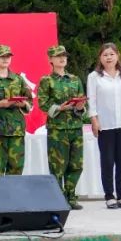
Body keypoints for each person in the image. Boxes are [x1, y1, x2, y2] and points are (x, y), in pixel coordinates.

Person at [87, 42, 121, 209]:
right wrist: (94, 120)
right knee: (107, 162)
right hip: (105, 125)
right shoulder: (94, 77)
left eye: (111, 54)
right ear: (100, 58)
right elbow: (92, 100)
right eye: (105, 55)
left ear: (118, 56)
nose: (108, 57)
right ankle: (109, 196)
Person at [36, 45, 86, 210]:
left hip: (75, 127)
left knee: (76, 165)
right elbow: (43, 103)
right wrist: (59, 108)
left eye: (64, 55)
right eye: (58, 56)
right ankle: (57, 199)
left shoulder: (75, 79)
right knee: (57, 166)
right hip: (57, 129)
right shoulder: (47, 80)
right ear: (50, 59)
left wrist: (80, 107)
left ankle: (71, 197)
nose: (62, 58)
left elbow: (81, 102)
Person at [0, 44, 33, 176]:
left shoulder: (18, 79)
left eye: (8, 56)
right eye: (2, 56)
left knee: (16, 168)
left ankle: (13, 191)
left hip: (16, 130)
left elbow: (30, 101)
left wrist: (22, 104)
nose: (5, 59)